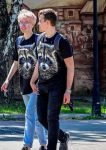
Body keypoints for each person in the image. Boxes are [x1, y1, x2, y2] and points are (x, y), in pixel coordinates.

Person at [1, 9, 47, 150]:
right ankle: (44, 144)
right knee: (37, 117)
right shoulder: (18, 41)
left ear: (32, 23)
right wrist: (7, 80)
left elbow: (43, 62)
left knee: (29, 114)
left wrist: (37, 81)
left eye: (26, 22)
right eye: (20, 22)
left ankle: (26, 145)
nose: (23, 25)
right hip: (24, 83)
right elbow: (16, 62)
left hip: (37, 84)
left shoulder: (39, 39)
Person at [30, 9, 74, 150]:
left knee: (52, 118)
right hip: (42, 85)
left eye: (40, 20)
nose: (38, 23)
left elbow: (71, 67)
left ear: (48, 22)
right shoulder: (40, 38)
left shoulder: (62, 42)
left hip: (57, 86)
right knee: (42, 118)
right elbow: (39, 60)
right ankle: (63, 137)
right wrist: (32, 80)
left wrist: (68, 90)